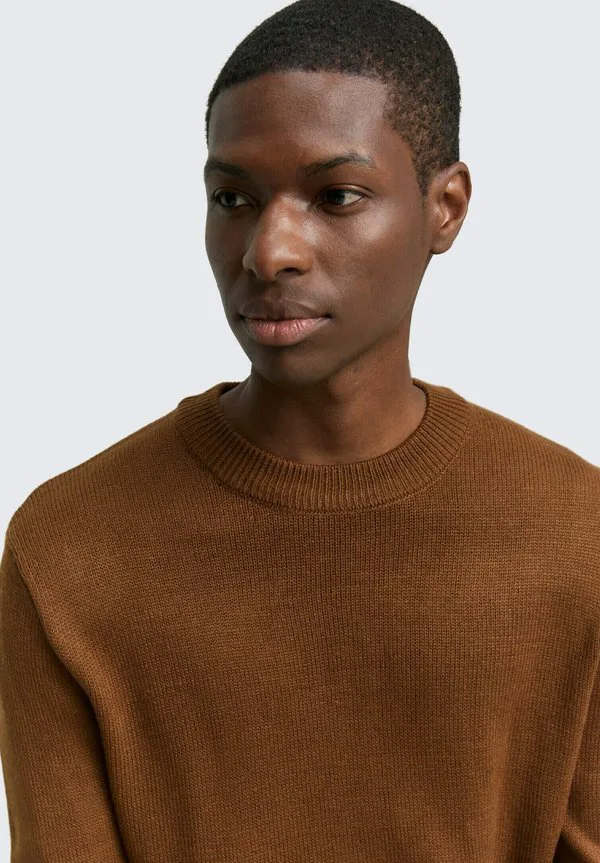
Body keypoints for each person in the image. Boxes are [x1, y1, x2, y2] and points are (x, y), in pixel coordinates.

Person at [1, 0, 598, 860]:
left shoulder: (578, 533)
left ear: (446, 207)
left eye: (336, 196)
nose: (269, 250)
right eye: (233, 198)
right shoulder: (68, 549)